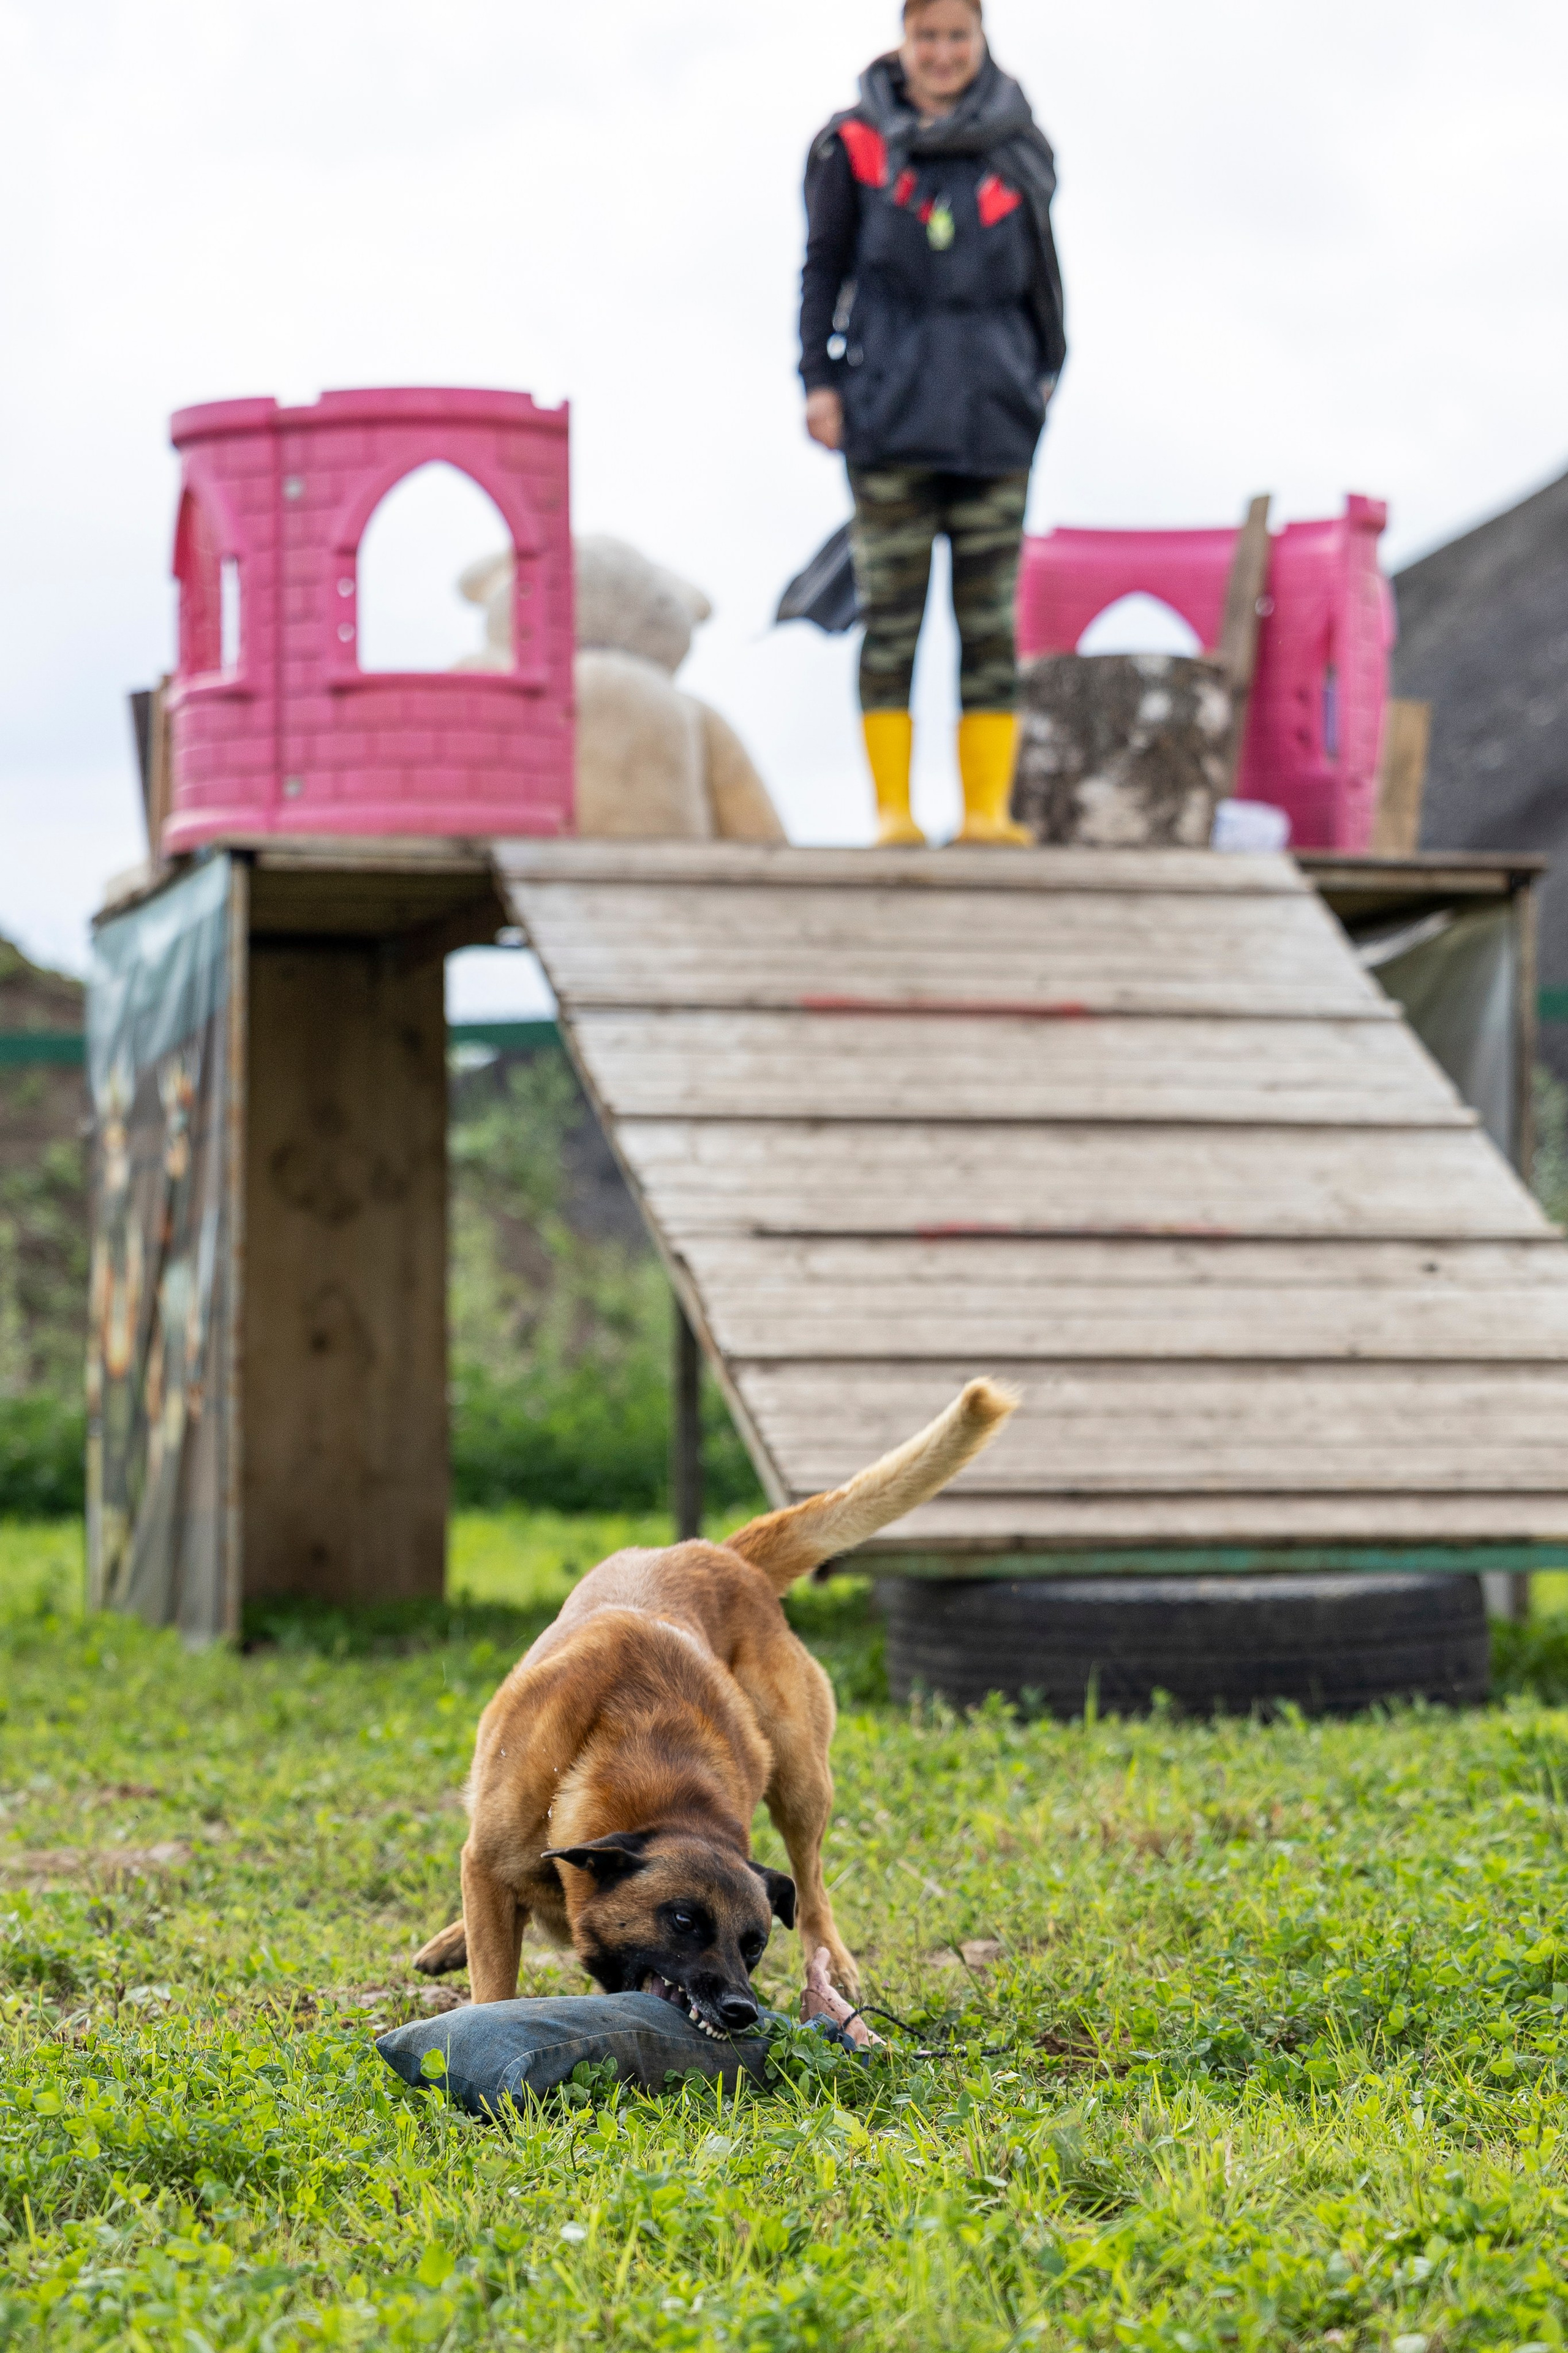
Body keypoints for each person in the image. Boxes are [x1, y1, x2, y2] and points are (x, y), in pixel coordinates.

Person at [799, 0, 1065, 845]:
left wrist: (1046, 368)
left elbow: (1044, 275)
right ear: (903, 40)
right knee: (893, 621)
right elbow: (822, 268)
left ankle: (986, 811)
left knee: (990, 625)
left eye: (958, 36)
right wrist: (819, 380)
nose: (943, 53)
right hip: (888, 410)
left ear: (980, 39)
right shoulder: (853, 146)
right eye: (928, 37)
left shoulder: (1018, 145)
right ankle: (893, 810)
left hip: (996, 414)